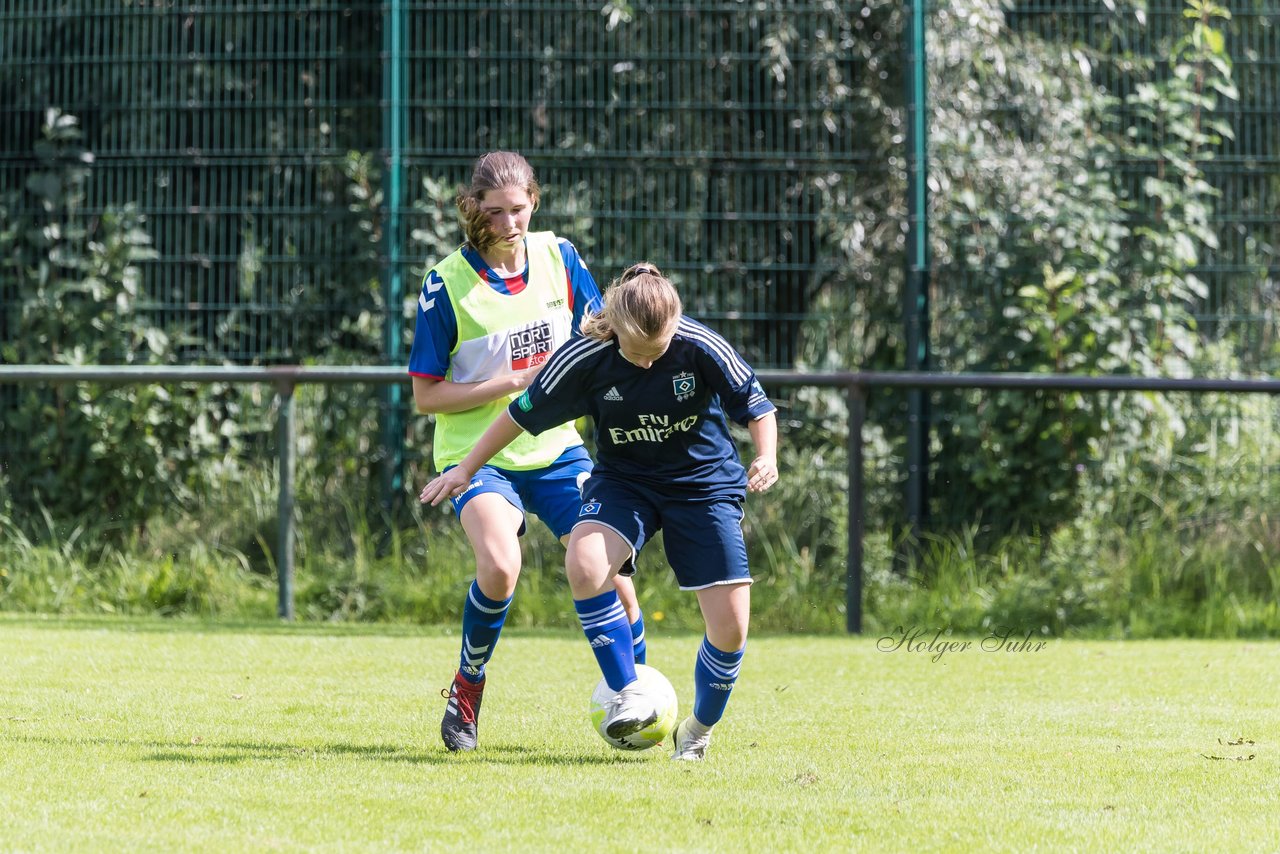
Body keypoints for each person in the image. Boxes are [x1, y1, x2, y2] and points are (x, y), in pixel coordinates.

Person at [420, 263, 779, 761]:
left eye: (660, 351)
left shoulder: (699, 343)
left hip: (702, 486)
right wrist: (466, 468)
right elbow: (519, 415)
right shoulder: (586, 356)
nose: (651, 364)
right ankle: (628, 692)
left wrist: (766, 456)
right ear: (614, 331)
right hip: (625, 481)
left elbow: (756, 404)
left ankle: (696, 730)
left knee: (731, 628)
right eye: (639, 354)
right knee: (586, 563)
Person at [409, 151, 645, 753]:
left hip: (558, 450)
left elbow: (599, 333)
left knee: (612, 575)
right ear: (473, 211)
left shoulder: (559, 257)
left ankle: (638, 694)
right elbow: (426, 396)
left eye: (518, 210)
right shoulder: (446, 284)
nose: (509, 224)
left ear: (534, 203)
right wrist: (516, 383)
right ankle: (467, 691)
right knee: (500, 567)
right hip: (479, 454)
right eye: (494, 213)